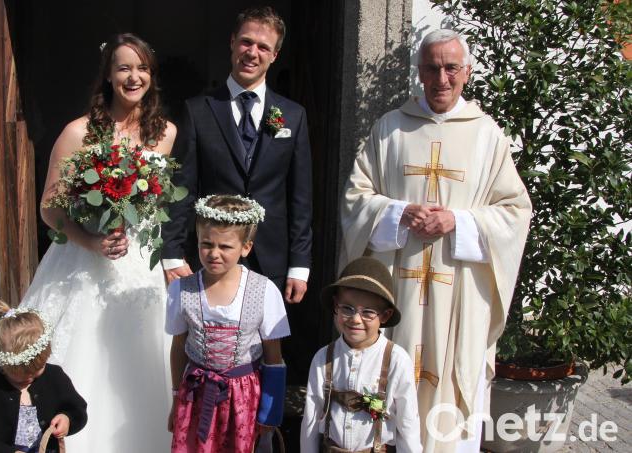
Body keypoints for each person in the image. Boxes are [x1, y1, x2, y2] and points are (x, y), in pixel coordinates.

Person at [339, 29, 532, 452]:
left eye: (451, 68)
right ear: (418, 72)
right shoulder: (389, 129)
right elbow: (355, 198)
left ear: (467, 72)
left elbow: (515, 213)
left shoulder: (487, 135)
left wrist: (459, 222)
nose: (441, 78)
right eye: (432, 67)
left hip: (458, 291)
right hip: (398, 288)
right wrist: (397, 212)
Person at [18, 33, 177, 451]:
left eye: (142, 68)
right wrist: (89, 240)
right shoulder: (78, 132)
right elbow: (49, 207)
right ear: (108, 75)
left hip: (141, 268)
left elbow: (161, 206)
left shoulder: (167, 134)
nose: (133, 76)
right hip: (84, 262)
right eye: (124, 67)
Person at [161, 6, 312, 305]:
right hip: (211, 255)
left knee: (269, 348)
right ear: (232, 42)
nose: (252, 52)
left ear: (274, 55)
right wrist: (172, 254)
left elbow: (301, 197)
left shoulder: (293, 116)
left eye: (263, 47)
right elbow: (182, 188)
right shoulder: (198, 110)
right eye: (246, 42)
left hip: (272, 261)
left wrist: (300, 264)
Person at [166, 195, 290, 452]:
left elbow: (273, 358)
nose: (214, 253)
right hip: (195, 396)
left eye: (225, 247)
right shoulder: (182, 290)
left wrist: (269, 412)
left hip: (243, 399)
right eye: (206, 244)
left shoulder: (264, 290)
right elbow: (179, 346)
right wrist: (177, 397)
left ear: (246, 247)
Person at [300, 257, 422, 453]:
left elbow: (408, 423)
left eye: (368, 312)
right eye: (347, 308)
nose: (355, 319)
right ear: (335, 305)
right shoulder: (323, 358)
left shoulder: (397, 361)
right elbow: (311, 418)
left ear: (385, 315)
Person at [0, 298, 87, 453]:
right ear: (4, 363)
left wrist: (67, 418)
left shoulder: (54, 377)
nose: (30, 377)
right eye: (22, 374)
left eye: (38, 369)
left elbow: (77, 408)